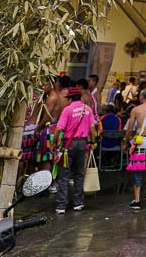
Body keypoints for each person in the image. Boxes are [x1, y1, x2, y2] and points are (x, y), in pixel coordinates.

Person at [54, 85, 97, 215]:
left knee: (64, 175)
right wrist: (93, 142)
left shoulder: (67, 110)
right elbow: (92, 128)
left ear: (70, 99)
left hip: (68, 145)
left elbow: (59, 129)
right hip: (82, 144)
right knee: (78, 174)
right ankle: (77, 203)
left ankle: (61, 205)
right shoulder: (87, 109)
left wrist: (54, 142)